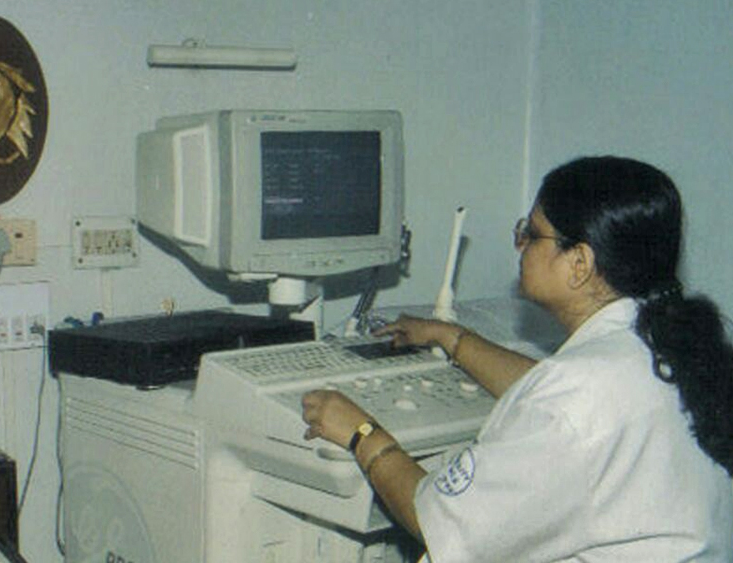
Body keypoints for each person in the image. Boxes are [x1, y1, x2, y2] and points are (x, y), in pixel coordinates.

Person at [301, 156, 733, 562]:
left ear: (579, 263)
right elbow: (558, 399)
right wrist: (451, 337)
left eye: (532, 233)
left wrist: (362, 433)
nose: (521, 245)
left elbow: (441, 525)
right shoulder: (668, 345)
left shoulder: (577, 391)